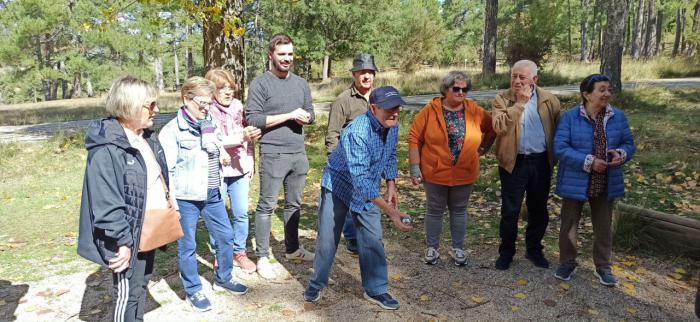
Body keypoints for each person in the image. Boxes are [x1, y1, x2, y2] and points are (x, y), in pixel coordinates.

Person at [304, 86, 413, 310]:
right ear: (374, 108)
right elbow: (360, 180)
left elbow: (390, 154)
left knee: (373, 238)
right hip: (338, 185)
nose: (394, 112)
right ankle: (317, 283)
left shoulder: (393, 126)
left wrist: (391, 183)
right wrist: (391, 212)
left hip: (368, 185)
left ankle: (376, 289)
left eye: (397, 108)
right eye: (388, 108)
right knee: (327, 238)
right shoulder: (357, 131)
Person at [77, 75, 169, 322]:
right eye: (150, 105)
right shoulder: (107, 148)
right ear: (130, 105)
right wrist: (122, 242)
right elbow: (106, 203)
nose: (156, 110)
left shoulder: (146, 138)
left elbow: (157, 179)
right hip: (126, 236)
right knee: (126, 295)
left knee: (140, 287)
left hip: (146, 228)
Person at [159, 76, 248, 312]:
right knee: (187, 246)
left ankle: (223, 278)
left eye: (210, 103)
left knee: (226, 236)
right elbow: (166, 171)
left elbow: (215, 144)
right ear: (186, 99)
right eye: (202, 103)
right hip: (186, 198)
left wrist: (220, 154)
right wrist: (173, 203)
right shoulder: (171, 131)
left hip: (212, 193)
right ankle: (193, 289)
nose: (207, 108)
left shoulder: (209, 123)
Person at [552, 74, 635, 286]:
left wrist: (621, 154)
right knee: (569, 224)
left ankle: (603, 267)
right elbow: (560, 148)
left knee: (603, 226)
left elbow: (628, 143)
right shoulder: (570, 117)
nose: (607, 93)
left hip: (607, 180)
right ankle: (567, 262)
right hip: (575, 179)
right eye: (601, 89)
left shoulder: (618, 116)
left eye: (608, 90)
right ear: (587, 95)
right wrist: (588, 161)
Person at [245, 33, 315, 279]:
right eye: (282, 54)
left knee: (294, 204)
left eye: (290, 54)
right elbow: (253, 118)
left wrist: (305, 117)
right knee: (266, 206)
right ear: (271, 55)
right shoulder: (260, 84)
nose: (287, 59)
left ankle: (292, 249)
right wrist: (288, 115)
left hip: (298, 152)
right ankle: (263, 256)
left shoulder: (301, 84)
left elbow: (311, 114)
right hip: (273, 153)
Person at [408, 71, 496, 266]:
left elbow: (492, 129)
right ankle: (432, 248)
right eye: (456, 88)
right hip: (435, 171)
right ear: (446, 89)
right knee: (435, 209)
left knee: (459, 210)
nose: (461, 92)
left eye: (465, 89)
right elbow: (414, 137)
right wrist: (415, 167)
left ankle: (458, 249)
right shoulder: (429, 111)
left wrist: (484, 148)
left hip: (465, 171)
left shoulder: (474, 110)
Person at [491, 59, 561, 270]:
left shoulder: (549, 100)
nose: (517, 81)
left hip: (541, 162)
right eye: (514, 76)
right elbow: (500, 127)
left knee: (538, 209)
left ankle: (534, 250)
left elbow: (557, 130)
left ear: (534, 79)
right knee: (510, 210)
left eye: (522, 77)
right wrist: (519, 104)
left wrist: (554, 158)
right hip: (514, 162)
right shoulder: (502, 99)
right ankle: (506, 252)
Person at [205, 68, 261, 274]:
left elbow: (249, 137)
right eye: (222, 88)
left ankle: (239, 252)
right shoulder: (206, 110)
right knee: (216, 215)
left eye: (231, 87)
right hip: (217, 170)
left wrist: (251, 161)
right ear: (212, 91)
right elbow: (212, 140)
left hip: (239, 168)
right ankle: (220, 253)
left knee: (241, 213)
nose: (228, 92)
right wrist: (241, 138)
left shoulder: (239, 106)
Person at [324, 53, 379, 254]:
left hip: (373, 160)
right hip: (348, 160)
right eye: (362, 72)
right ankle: (353, 238)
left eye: (370, 72)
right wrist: (334, 160)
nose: (366, 76)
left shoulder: (379, 97)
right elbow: (332, 133)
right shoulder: (343, 100)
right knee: (349, 201)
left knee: (369, 198)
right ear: (354, 74)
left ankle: (367, 235)